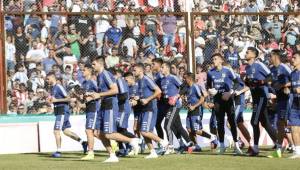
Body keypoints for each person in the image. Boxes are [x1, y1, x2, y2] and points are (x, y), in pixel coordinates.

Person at [88, 57, 139, 163]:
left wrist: (99, 95)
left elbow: (115, 90)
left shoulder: (106, 74)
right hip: (103, 106)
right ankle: (112, 155)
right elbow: (102, 92)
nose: (92, 66)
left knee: (109, 134)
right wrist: (92, 95)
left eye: (93, 64)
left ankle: (132, 140)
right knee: (98, 133)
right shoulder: (99, 76)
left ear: (100, 64)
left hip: (110, 105)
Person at [244, 47, 280, 156]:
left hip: (261, 97)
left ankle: (255, 148)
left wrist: (261, 82)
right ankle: (279, 143)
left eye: (248, 52)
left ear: (254, 55)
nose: (245, 54)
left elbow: (270, 76)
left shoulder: (259, 65)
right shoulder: (247, 68)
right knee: (265, 123)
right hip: (255, 98)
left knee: (254, 122)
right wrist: (247, 82)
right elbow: (250, 84)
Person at [207, 53, 243, 155]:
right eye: (213, 59)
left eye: (215, 59)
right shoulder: (210, 73)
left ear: (221, 60)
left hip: (228, 99)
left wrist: (230, 92)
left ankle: (236, 146)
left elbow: (238, 82)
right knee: (220, 123)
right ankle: (222, 146)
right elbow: (208, 85)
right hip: (217, 100)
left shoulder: (227, 70)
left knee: (232, 122)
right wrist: (210, 90)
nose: (213, 60)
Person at [46, 72, 87, 158]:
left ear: (52, 78)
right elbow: (54, 99)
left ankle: (58, 151)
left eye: (48, 79)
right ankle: (83, 142)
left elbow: (68, 98)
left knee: (56, 131)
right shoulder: (53, 88)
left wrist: (56, 101)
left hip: (62, 111)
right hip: (58, 111)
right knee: (65, 131)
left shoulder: (58, 86)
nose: (47, 81)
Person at [132, 63, 168, 159]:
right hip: (142, 109)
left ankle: (163, 142)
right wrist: (137, 99)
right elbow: (143, 94)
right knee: (145, 132)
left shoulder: (147, 79)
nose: (133, 72)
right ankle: (152, 152)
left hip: (150, 108)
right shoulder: (138, 81)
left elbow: (158, 91)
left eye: (135, 70)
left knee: (144, 131)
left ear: (140, 70)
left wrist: (147, 99)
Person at [160, 62, 193, 154]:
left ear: (167, 68)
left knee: (167, 126)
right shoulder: (162, 80)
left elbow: (185, 86)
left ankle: (170, 146)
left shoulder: (173, 78)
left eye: (162, 67)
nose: (161, 69)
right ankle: (188, 144)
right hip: (167, 106)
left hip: (174, 106)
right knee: (177, 127)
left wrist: (177, 96)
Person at [183, 72, 218, 151]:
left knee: (197, 130)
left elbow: (202, 98)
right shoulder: (187, 88)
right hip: (190, 110)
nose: (184, 80)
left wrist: (194, 106)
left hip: (196, 110)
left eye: (185, 78)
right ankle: (196, 146)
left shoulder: (196, 87)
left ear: (190, 79)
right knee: (189, 129)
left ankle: (212, 137)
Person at [268, 49, 292, 158]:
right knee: (280, 123)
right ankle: (279, 148)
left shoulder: (284, 68)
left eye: (271, 56)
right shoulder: (271, 69)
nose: (269, 58)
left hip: (289, 98)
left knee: (288, 123)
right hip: (280, 99)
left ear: (275, 56)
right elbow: (271, 83)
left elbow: (295, 80)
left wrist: (284, 86)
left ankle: (291, 147)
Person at [80, 64, 100, 160]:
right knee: (95, 133)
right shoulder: (83, 83)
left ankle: (90, 152)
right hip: (88, 109)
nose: (82, 71)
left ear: (89, 71)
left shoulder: (93, 82)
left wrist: (90, 95)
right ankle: (113, 143)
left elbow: (100, 93)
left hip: (94, 108)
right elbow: (84, 99)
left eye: (84, 70)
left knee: (88, 130)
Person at [289, 51, 300, 159]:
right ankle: (297, 152)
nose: (292, 59)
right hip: (295, 104)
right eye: (292, 57)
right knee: (294, 127)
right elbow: (293, 89)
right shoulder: (293, 74)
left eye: (295, 57)